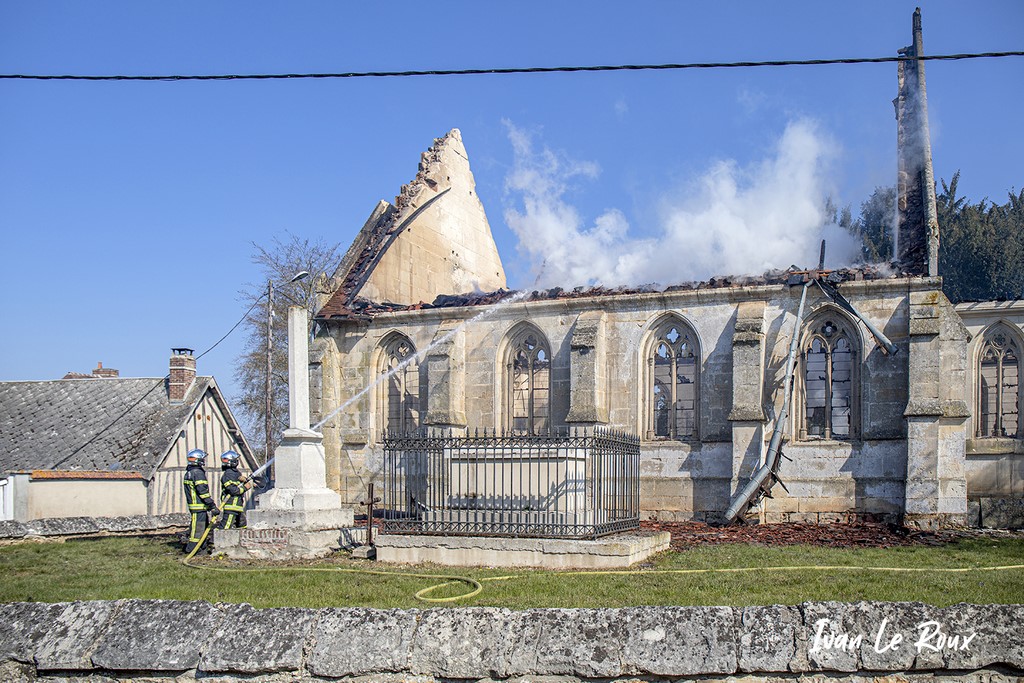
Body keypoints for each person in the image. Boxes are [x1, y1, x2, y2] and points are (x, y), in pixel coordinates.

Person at [182, 448, 219, 554]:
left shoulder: (189, 472)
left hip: (197, 507)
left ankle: (201, 549)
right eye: (202, 459)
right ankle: (192, 549)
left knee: (202, 530)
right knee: (197, 531)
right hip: (199, 507)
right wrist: (212, 506)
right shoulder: (197, 473)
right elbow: (203, 492)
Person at [216, 450, 260, 530]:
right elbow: (233, 490)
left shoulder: (235, 473)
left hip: (238, 506)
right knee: (225, 527)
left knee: (243, 526)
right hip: (231, 506)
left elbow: (237, 484)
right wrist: (245, 487)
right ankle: (219, 541)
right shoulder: (228, 474)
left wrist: (243, 480)